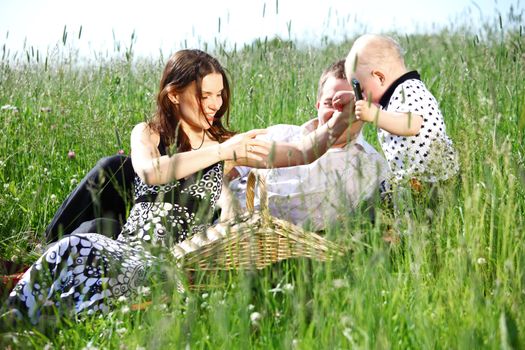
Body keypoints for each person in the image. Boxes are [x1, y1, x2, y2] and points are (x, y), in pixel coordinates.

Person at [3, 49, 353, 325]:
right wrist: (222, 151)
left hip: (167, 265)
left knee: (80, 252)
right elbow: (152, 172)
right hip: (123, 251)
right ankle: (17, 320)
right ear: (173, 95)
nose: (215, 104)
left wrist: (342, 116)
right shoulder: (149, 133)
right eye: (205, 95)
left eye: (219, 94)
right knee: (71, 252)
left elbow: (305, 151)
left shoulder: (228, 144)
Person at [226, 60, 389, 230]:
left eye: (349, 105)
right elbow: (222, 171)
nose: (338, 113)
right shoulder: (279, 134)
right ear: (318, 106)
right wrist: (227, 205)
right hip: (237, 236)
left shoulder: (374, 168)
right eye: (330, 103)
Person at [333, 34, 458, 191]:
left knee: (390, 202)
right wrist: (351, 98)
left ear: (379, 77)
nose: (362, 96)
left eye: (361, 90)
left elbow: (411, 125)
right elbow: (388, 113)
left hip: (431, 180)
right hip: (415, 179)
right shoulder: (394, 95)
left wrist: (374, 115)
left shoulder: (409, 89)